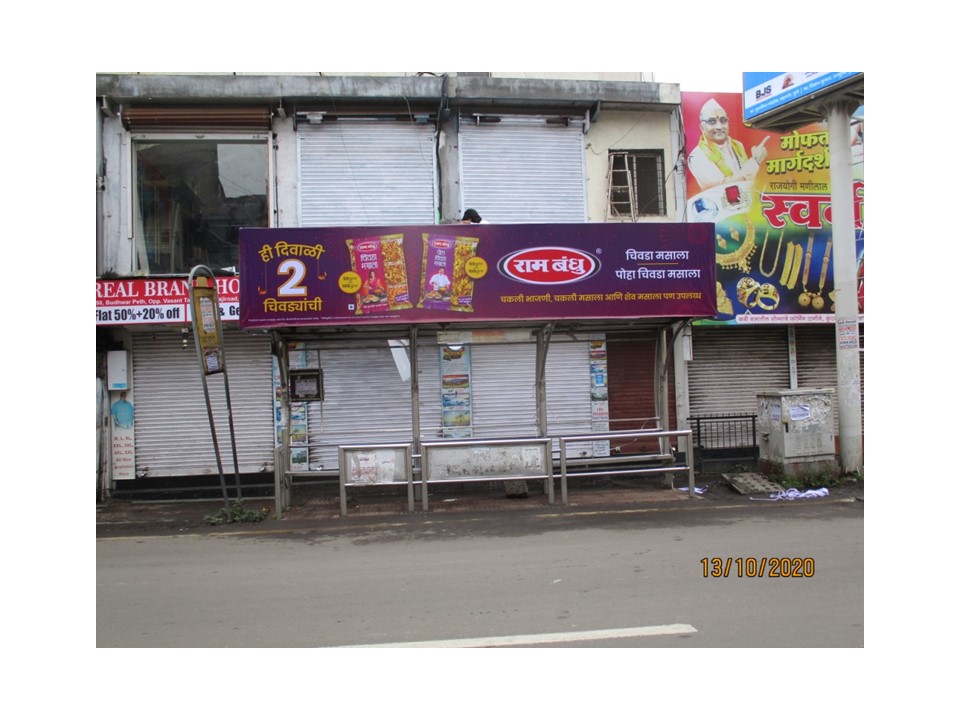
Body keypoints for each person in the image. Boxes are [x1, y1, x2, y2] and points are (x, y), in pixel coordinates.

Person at [687, 98, 770, 191]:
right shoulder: (697, 156)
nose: (719, 127)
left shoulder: (738, 146)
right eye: (712, 122)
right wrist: (755, 162)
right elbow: (721, 187)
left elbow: (750, 180)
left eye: (723, 120)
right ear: (702, 127)